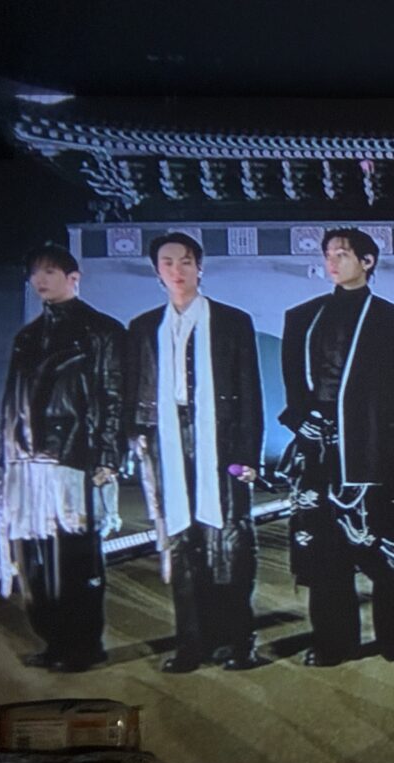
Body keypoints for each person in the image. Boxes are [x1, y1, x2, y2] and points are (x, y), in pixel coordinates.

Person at [279, 227, 394, 667]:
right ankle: (333, 642)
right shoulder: (301, 318)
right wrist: (301, 421)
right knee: (325, 552)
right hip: (319, 451)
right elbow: (294, 388)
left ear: (367, 261)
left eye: (342, 254)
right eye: (328, 254)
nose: (332, 261)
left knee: (389, 548)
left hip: (375, 448)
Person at [126, 232, 265, 673]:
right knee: (182, 543)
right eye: (167, 263)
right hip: (168, 441)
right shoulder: (144, 327)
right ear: (157, 271)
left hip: (221, 440)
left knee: (230, 540)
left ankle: (239, 640)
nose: (177, 270)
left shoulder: (232, 322)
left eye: (185, 261)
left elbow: (250, 393)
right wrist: (136, 438)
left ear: (199, 267)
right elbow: (135, 391)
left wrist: (249, 455)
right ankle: (192, 643)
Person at [0, 244, 125, 672]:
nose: (40, 280)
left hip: (72, 454)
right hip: (25, 460)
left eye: (50, 271)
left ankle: (83, 645)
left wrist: (108, 454)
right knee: (33, 558)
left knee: (73, 556)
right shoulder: (28, 337)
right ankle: (53, 641)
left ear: (74, 277)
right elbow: (11, 402)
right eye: (36, 272)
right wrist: (4, 456)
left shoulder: (101, 331)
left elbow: (113, 394)